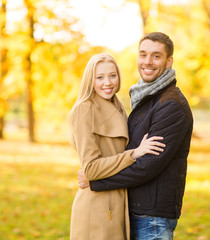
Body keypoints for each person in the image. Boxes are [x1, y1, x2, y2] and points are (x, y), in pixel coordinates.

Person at [78, 32, 194, 240]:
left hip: (153, 216)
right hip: (135, 209)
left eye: (156, 56)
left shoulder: (170, 105)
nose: (147, 62)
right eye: (143, 54)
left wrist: (95, 182)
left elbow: (147, 166)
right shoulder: (146, 98)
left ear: (169, 62)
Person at [69, 53, 166, 240]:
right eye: (100, 77)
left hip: (116, 202)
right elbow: (90, 169)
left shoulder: (118, 105)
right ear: (91, 80)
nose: (108, 82)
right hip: (96, 207)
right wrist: (134, 154)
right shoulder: (85, 109)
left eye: (112, 75)